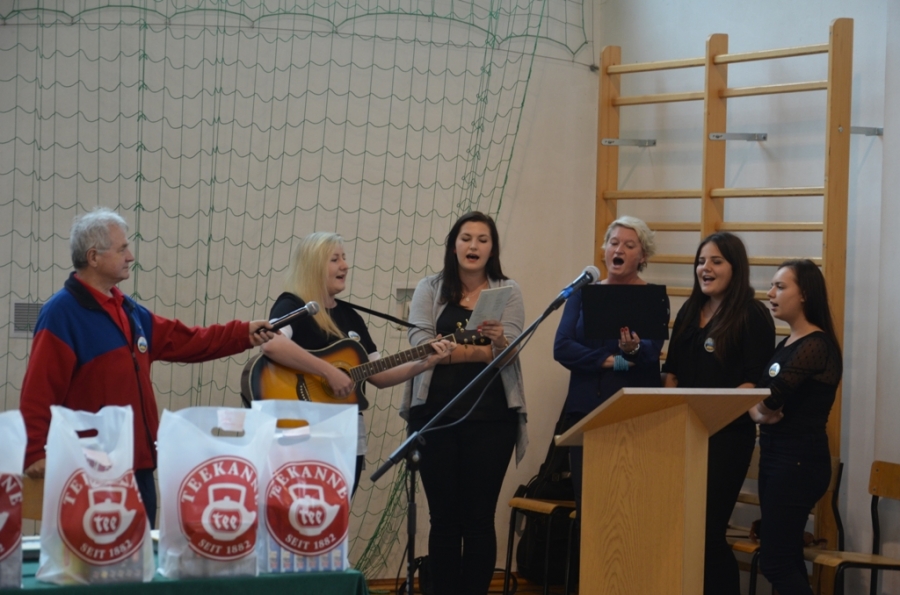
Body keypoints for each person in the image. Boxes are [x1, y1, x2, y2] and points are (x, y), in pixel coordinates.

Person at [19, 207, 278, 528]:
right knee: (98, 556)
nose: (130, 256)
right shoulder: (61, 313)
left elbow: (189, 341)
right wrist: (33, 452)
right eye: (122, 249)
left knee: (139, 555)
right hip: (91, 468)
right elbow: (39, 388)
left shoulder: (127, 309)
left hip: (139, 464)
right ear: (93, 257)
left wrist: (243, 334)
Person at [260, 232, 453, 493]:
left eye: (344, 258)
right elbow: (270, 343)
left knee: (339, 512)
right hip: (299, 428)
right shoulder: (293, 305)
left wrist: (425, 363)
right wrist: (329, 372)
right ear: (314, 265)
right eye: (335, 259)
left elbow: (379, 375)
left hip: (346, 432)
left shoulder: (351, 317)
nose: (345, 265)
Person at [403, 211, 527, 595]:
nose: (474, 246)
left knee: (479, 519)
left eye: (482, 240)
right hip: (434, 416)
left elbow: (511, 351)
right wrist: (482, 350)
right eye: (466, 238)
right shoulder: (429, 288)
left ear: (492, 249)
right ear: (453, 245)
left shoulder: (508, 290)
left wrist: (496, 342)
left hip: (492, 420)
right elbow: (421, 347)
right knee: (443, 519)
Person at [662, 232, 775, 595]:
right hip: (684, 434)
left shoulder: (752, 314)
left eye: (715, 261)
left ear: (735, 267)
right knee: (681, 529)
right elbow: (672, 372)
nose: (705, 268)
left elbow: (754, 382)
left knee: (707, 531)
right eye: (700, 261)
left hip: (726, 438)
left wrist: (709, 414)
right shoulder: (688, 310)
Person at [554, 216, 667, 516]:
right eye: (614, 243)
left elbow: (649, 352)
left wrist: (633, 350)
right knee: (590, 508)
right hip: (586, 412)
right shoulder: (581, 293)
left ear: (643, 256)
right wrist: (616, 360)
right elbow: (562, 347)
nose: (619, 249)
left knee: (631, 508)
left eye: (629, 245)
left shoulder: (652, 297)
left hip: (635, 415)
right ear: (604, 249)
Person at [750, 260, 842, 595]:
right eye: (771, 286)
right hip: (776, 455)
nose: (770, 293)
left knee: (775, 562)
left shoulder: (816, 344)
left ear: (804, 294)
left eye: (780, 286)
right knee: (786, 557)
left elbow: (770, 400)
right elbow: (761, 398)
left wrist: (759, 410)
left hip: (799, 459)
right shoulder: (788, 343)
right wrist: (760, 410)